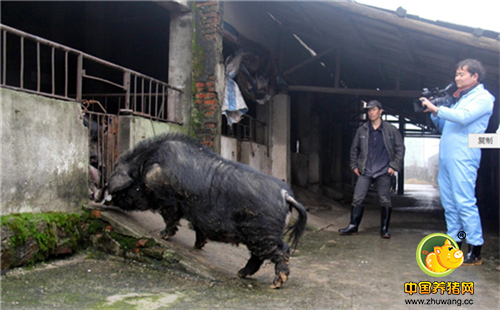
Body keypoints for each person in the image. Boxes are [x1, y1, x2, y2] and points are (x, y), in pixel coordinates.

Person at [421, 59, 494, 266]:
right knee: (450, 204)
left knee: (464, 202)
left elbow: (463, 118)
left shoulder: (483, 98)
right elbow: (445, 125)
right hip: (447, 155)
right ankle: (456, 240)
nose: (457, 78)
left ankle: (475, 248)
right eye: (456, 74)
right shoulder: (460, 99)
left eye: (462, 74)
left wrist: (438, 108)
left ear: (475, 76)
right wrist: (434, 112)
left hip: (464, 154)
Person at [339, 100, 405, 238]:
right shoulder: (362, 129)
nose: (371, 112)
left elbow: (400, 148)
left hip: (384, 171)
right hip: (366, 170)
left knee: (385, 199)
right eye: (369, 110)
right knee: (357, 198)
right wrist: (354, 165)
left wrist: (394, 166)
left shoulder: (391, 130)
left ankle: (384, 229)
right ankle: (353, 226)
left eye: (374, 110)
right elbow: (354, 149)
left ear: (380, 111)